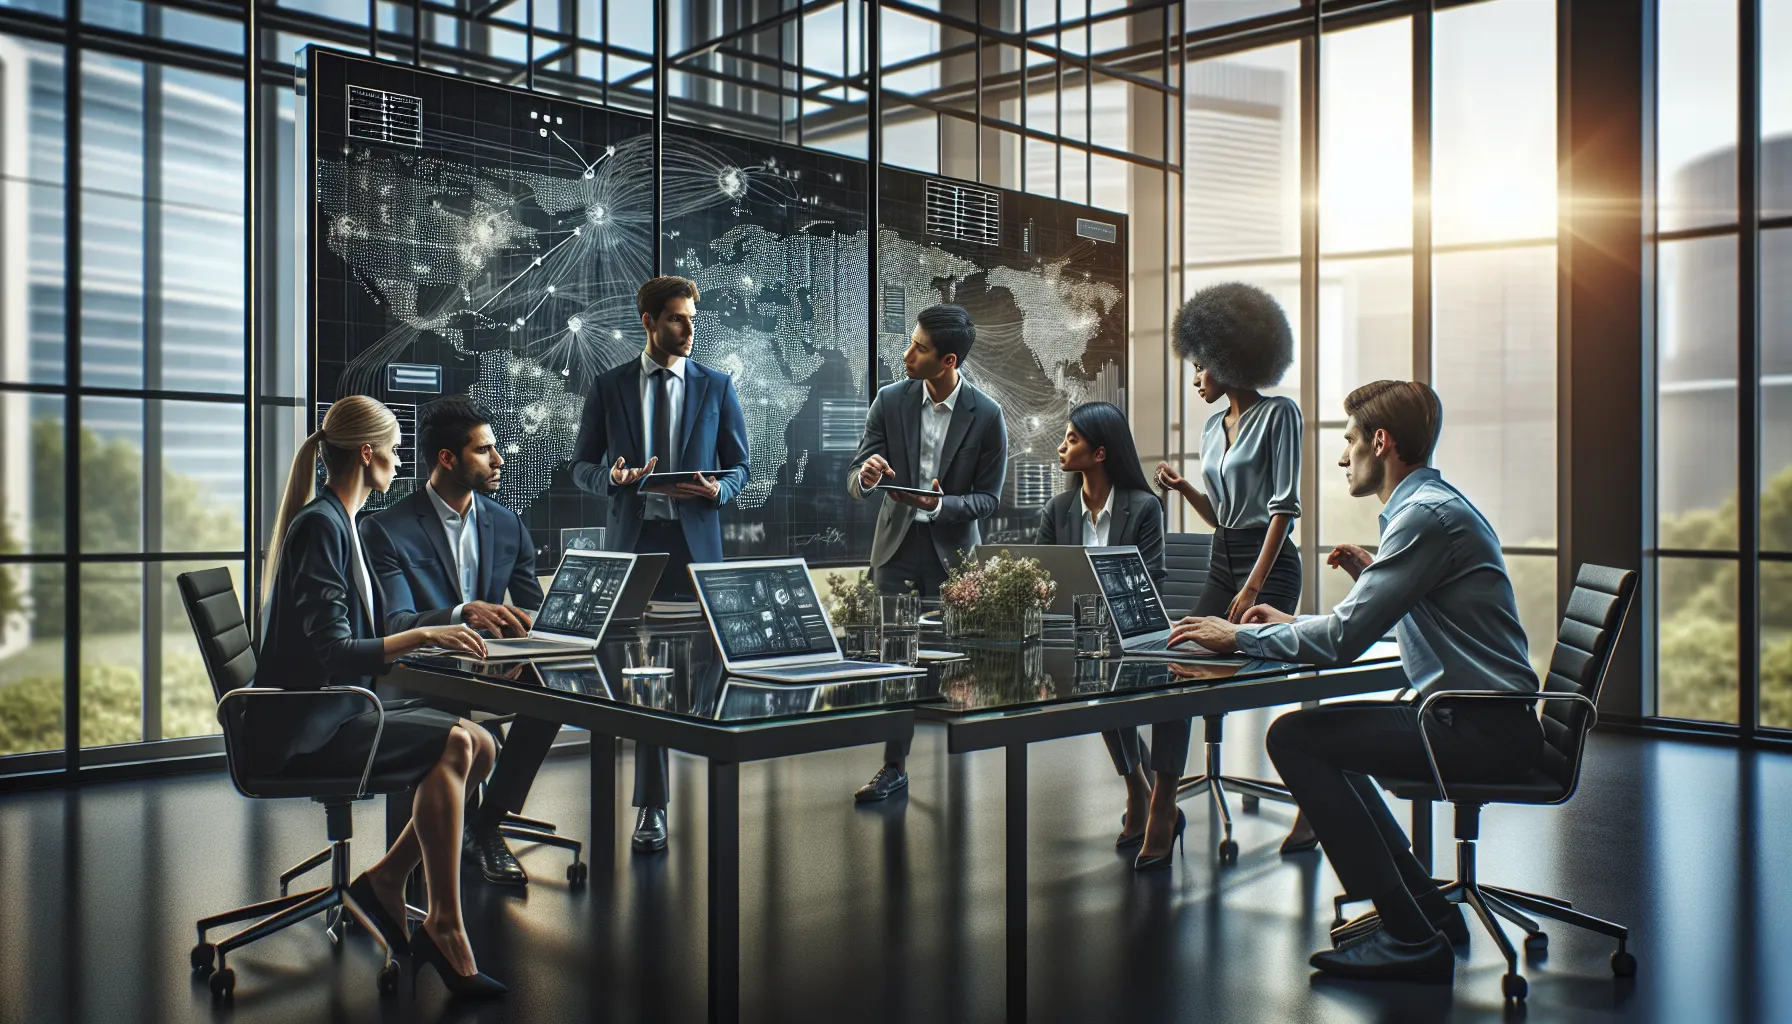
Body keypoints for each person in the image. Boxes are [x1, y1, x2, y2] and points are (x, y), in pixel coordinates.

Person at [1169, 380, 1540, 983]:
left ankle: (1410, 936)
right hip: (1486, 718)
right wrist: (1295, 620)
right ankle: (1426, 912)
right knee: (1324, 740)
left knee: (1295, 738)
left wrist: (1235, 635)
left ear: (1381, 442)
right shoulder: (1434, 508)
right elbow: (1377, 621)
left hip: (1477, 727)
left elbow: (1343, 641)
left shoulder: (1422, 517)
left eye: (1348, 442)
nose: (1342, 457)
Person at [257, 394, 505, 997]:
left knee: (483, 744)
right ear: (367, 453)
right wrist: (423, 633)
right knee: (454, 744)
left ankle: (386, 880)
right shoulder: (322, 525)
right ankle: (446, 927)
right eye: (392, 449)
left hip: (336, 709)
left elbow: (344, 645)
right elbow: (336, 653)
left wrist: (414, 637)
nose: (399, 460)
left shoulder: (339, 520)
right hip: (310, 726)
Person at [570, 275, 751, 853]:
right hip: (636, 544)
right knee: (644, 676)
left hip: (695, 548)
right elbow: (582, 465)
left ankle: (715, 771)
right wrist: (614, 480)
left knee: (704, 671)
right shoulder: (609, 386)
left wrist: (717, 492)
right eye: (677, 318)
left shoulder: (716, 386)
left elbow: (740, 467)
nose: (690, 328)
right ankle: (652, 806)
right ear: (648, 321)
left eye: (693, 316)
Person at [1146, 282, 1307, 868]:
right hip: (1223, 558)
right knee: (1177, 663)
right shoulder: (1213, 429)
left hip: (1270, 566)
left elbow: (1283, 510)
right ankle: (1163, 805)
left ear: (1233, 357)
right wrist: (1186, 487)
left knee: (1291, 672)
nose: (1196, 379)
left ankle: (1310, 799)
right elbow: (1222, 516)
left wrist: (1254, 586)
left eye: (1201, 365)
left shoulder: (1280, 415)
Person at [361, 396, 552, 888]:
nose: (499, 460)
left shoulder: (507, 524)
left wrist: (525, 628)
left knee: (556, 695)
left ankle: (485, 825)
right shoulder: (386, 528)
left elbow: (535, 611)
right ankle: (440, 840)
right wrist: (459, 614)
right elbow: (395, 620)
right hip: (422, 673)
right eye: (485, 451)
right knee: (454, 723)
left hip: (492, 668)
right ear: (447, 458)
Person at [846, 303, 1008, 803]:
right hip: (895, 548)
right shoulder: (890, 401)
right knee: (895, 660)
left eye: (919, 347)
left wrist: (939, 506)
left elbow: (988, 499)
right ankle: (893, 766)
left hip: (952, 551)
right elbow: (855, 477)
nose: (907, 353)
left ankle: (963, 754)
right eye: (912, 341)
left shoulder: (987, 416)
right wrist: (866, 476)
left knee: (960, 655)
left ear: (949, 361)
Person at [1034, 401, 1170, 850]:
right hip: (1077, 634)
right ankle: (1143, 789)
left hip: (1132, 635)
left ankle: (1137, 788)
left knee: (1100, 671)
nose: (1062, 447)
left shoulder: (1144, 508)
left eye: (1072, 438)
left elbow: (1150, 581)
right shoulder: (1058, 509)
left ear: (1100, 453)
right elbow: (1041, 577)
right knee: (1092, 666)